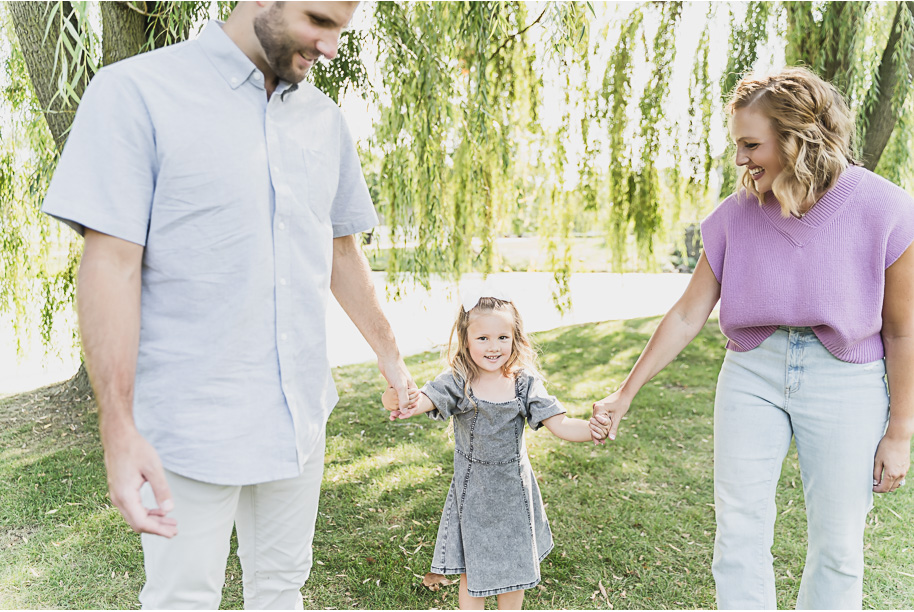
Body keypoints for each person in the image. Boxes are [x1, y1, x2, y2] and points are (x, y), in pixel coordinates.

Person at [41, 2, 416, 609]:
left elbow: (340, 250)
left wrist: (391, 358)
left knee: (282, 590)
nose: (331, 46)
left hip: (299, 417)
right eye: (319, 20)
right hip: (190, 427)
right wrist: (117, 424)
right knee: (182, 600)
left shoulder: (323, 119)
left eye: (341, 29)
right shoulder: (137, 93)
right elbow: (111, 265)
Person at [589, 67, 913, 609]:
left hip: (846, 381)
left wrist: (900, 431)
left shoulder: (886, 210)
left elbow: (904, 329)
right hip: (752, 372)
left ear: (797, 139)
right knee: (737, 536)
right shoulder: (734, 217)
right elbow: (689, 314)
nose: (740, 160)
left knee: (838, 548)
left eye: (750, 144)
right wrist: (625, 393)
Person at [382, 293, 607, 610]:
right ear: (466, 339)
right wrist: (396, 397)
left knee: (515, 569)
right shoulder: (458, 382)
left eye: (503, 337)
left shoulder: (525, 383)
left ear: (516, 338)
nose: (493, 346)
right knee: (474, 573)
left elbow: (561, 424)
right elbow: (419, 401)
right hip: (473, 495)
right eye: (483, 337)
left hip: (514, 494)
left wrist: (593, 428)